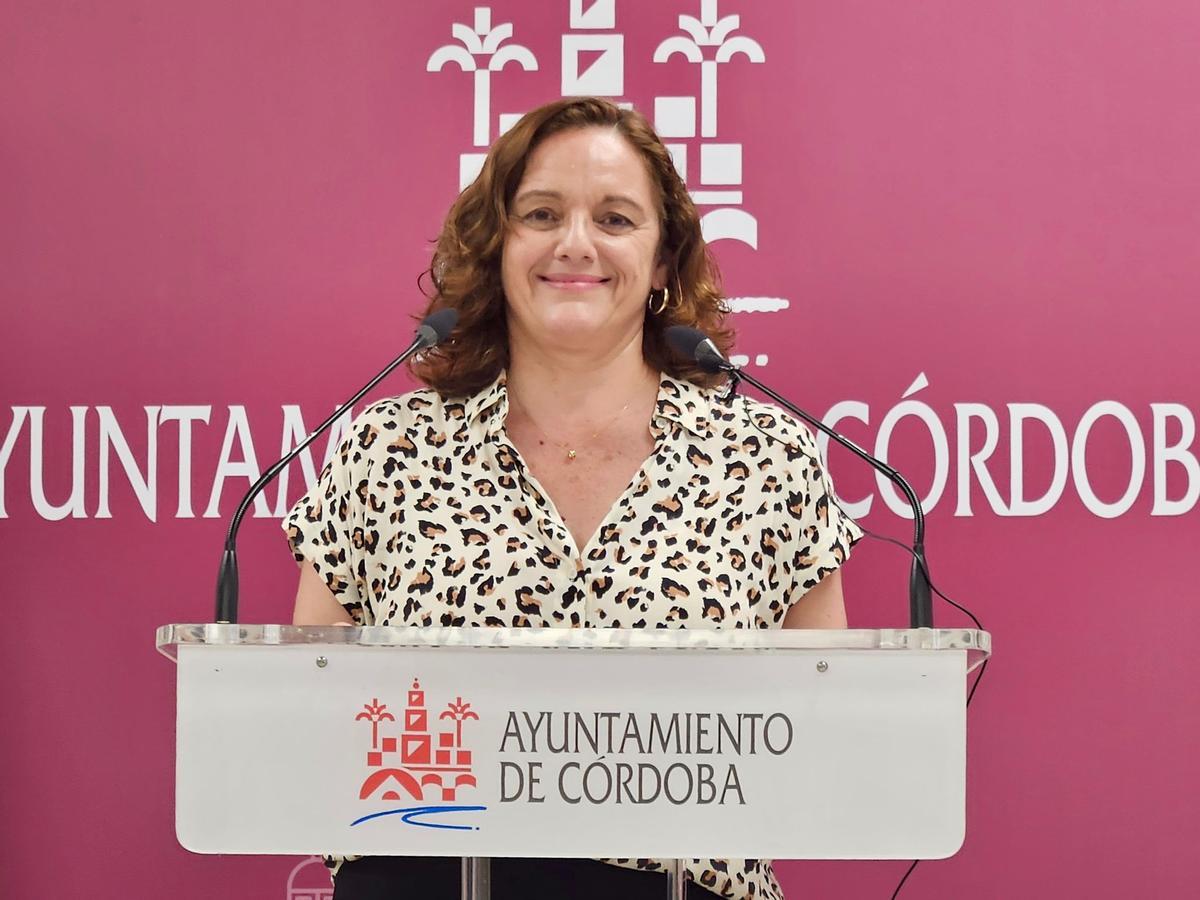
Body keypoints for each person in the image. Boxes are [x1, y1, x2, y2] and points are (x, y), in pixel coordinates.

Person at [286, 96, 862, 900]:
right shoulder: (388, 449)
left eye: (617, 219)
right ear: (498, 245)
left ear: (665, 261)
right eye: (542, 213)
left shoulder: (766, 458)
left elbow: (824, 728)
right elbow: (302, 712)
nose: (576, 243)